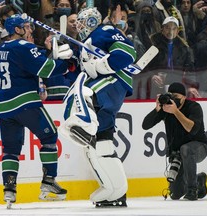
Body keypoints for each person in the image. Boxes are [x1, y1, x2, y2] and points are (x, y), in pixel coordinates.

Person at [59, 6, 137, 207]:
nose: (80, 27)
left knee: (85, 94)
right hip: (106, 95)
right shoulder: (84, 45)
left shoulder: (105, 31)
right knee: (100, 145)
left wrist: (104, 65)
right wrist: (68, 61)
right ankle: (115, 191)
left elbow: (128, 52)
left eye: (82, 23)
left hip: (112, 83)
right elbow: (77, 75)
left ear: (91, 22)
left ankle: (85, 124)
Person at [0, 14, 73, 208]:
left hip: (5, 107)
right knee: (49, 136)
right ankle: (48, 182)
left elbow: (27, 68)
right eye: (26, 27)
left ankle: (9, 191)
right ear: (17, 30)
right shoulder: (23, 47)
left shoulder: (1, 49)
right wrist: (66, 62)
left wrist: (49, 54)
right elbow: (46, 70)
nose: (30, 30)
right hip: (26, 103)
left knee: (10, 150)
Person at [142, 82, 207, 201]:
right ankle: (199, 180)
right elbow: (145, 125)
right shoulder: (166, 109)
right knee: (176, 193)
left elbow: (192, 129)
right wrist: (157, 109)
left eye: (177, 97)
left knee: (186, 149)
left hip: (199, 147)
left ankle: (192, 190)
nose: (174, 100)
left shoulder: (194, 107)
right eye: (172, 97)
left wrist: (176, 112)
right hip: (178, 154)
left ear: (184, 97)